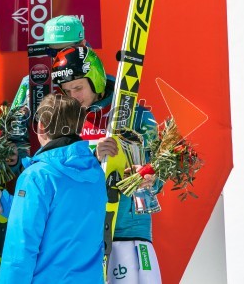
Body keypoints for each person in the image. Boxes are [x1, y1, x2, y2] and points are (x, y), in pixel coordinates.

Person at [50, 46, 162, 283]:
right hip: (83, 232)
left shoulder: (138, 115)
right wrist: (94, 156)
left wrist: (149, 176)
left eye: (78, 87)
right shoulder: (67, 122)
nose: (74, 97)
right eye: (67, 91)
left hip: (128, 230)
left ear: (96, 80)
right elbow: (58, 173)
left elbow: (159, 168)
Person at [0, 93, 106, 283]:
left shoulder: (37, 176)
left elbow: (21, 247)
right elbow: (63, 219)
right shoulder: (95, 172)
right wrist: (7, 203)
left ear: (41, 126)